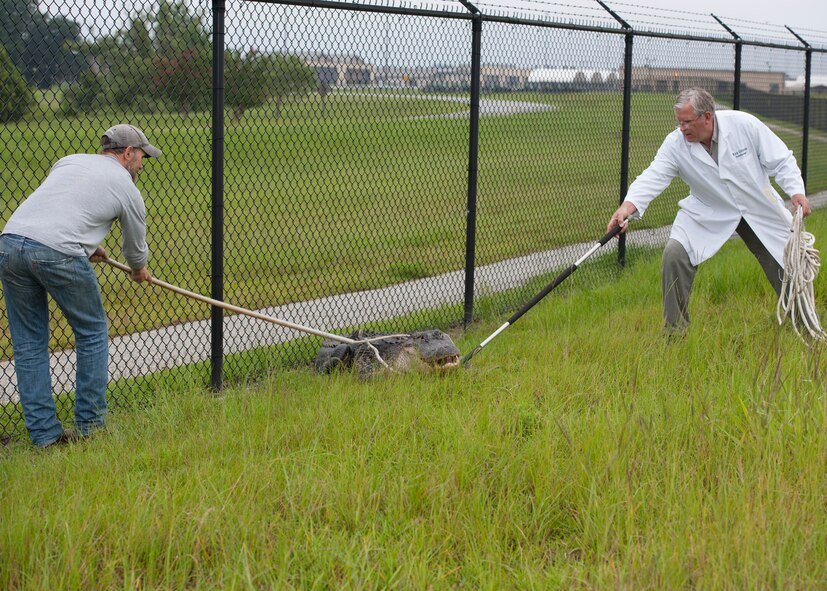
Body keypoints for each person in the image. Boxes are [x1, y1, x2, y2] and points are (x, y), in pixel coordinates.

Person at [0, 124, 161, 447]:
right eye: (142, 156)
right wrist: (138, 270)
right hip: (57, 251)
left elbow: (63, 207)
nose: (142, 164)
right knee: (92, 331)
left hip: (10, 244)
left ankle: (45, 436)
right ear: (128, 153)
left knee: (29, 342)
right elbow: (134, 248)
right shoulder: (127, 188)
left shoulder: (70, 160)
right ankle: (90, 427)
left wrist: (87, 245)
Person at [607, 87, 810, 334]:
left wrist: (796, 192)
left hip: (757, 207)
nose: (682, 129)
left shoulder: (743, 125)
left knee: (787, 260)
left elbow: (781, 160)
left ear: (707, 117)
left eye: (687, 122)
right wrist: (626, 208)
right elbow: (652, 177)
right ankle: (675, 334)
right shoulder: (675, 144)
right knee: (674, 254)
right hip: (708, 211)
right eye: (679, 122)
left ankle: (804, 325)